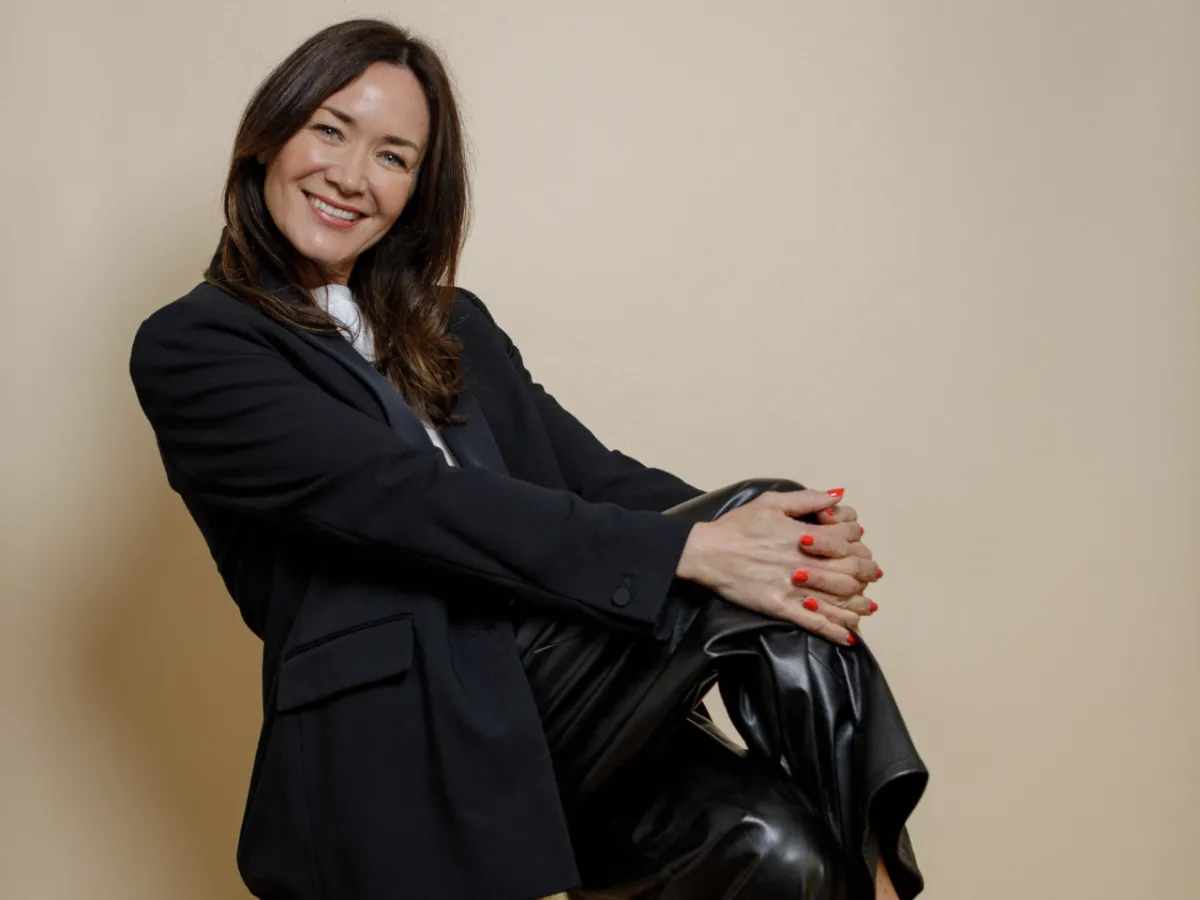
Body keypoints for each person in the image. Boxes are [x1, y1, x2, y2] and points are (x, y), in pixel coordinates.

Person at [128, 18, 927, 900]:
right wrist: (709, 546)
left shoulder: (450, 324)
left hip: (552, 699)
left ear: (418, 188)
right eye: (330, 130)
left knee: (781, 848)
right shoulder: (196, 346)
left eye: (393, 156)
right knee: (745, 548)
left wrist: (780, 531)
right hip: (404, 734)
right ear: (269, 136)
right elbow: (408, 502)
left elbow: (594, 477)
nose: (353, 176)